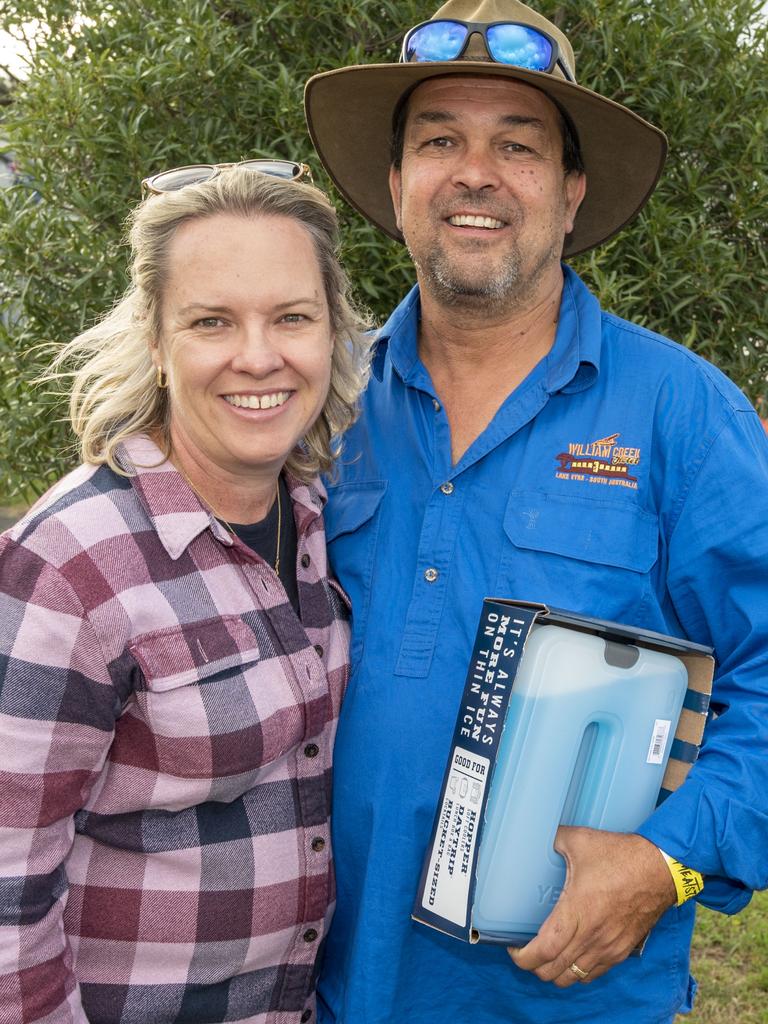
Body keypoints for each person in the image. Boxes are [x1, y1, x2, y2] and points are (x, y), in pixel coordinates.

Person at [303, 1, 768, 1021]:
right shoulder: (318, 406)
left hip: (567, 998)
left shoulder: (683, 414)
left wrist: (665, 859)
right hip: (327, 989)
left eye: (517, 144)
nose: (475, 173)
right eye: (439, 142)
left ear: (571, 191)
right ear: (396, 185)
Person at [0, 162, 370, 1023]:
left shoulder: (326, 523)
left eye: (292, 318)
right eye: (212, 322)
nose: (258, 355)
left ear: (331, 332)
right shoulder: (70, 567)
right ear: (158, 343)